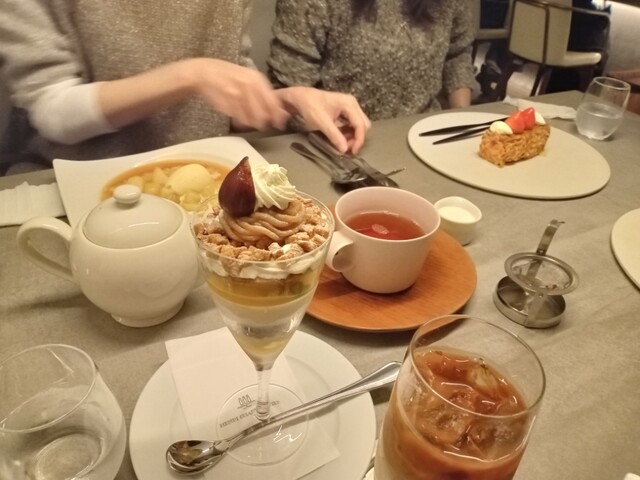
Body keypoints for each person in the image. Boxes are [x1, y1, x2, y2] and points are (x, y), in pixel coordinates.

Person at [0, 0, 370, 164]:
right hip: (89, 185)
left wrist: (288, 100)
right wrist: (190, 75)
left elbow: (223, 97)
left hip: (205, 181)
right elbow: (53, 112)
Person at [267, 0, 475, 122]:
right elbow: (290, 85)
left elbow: (457, 54)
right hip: (335, 143)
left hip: (425, 134)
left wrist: (461, 119)